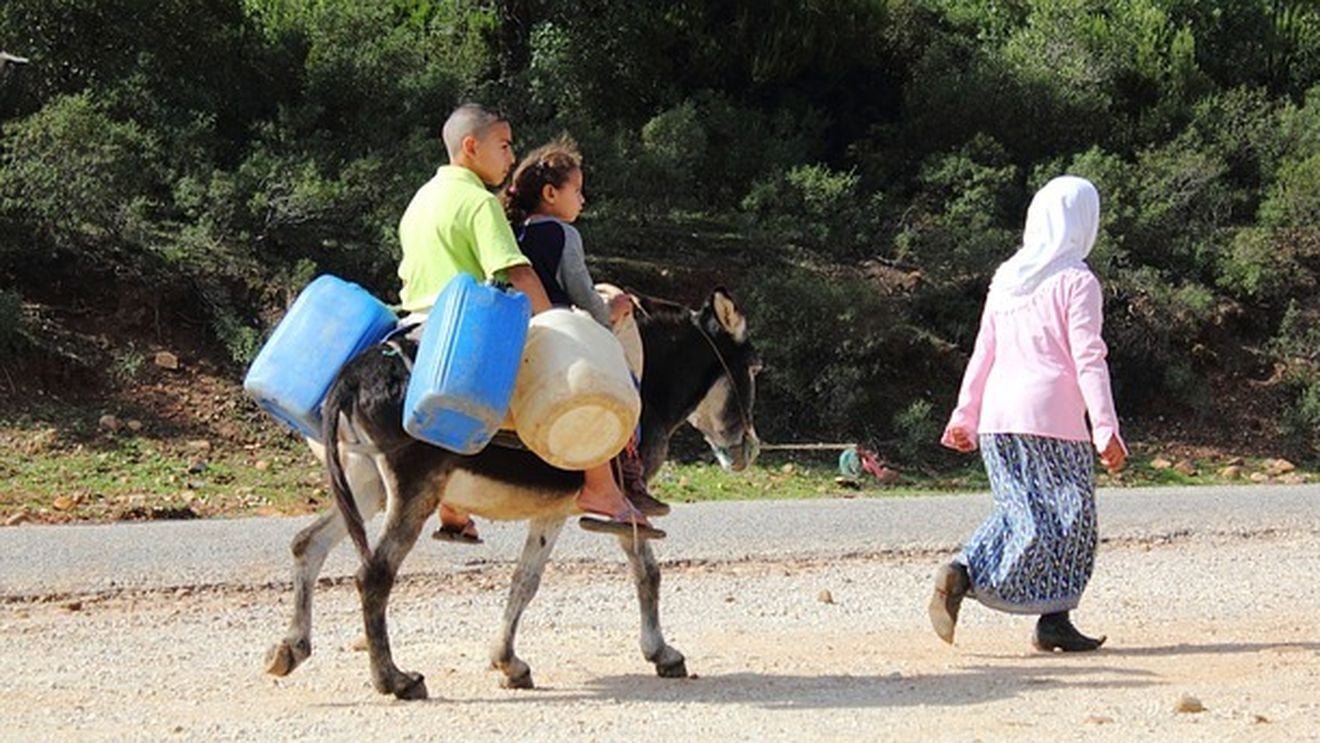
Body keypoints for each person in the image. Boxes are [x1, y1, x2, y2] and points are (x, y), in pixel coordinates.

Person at [929, 175, 1127, 652]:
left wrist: (964, 415)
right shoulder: (1077, 280)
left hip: (999, 419)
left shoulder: (1008, 278)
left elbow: (984, 352)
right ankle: (972, 575)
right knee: (1071, 521)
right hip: (1053, 422)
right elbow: (1088, 358)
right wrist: (1105, 429)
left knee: (1022, 512)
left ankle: (1043, 616)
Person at [395, 103, 552, 544]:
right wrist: (558, 326)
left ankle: (453, 504)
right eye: (503, 146)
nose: (510, 156)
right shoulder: (479, 203)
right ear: (470, 146)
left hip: (409, 330)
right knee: (562, 394)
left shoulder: (420, 199)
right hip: (454, 336)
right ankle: (602, 487)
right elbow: (516, 272)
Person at [500, 138, 666, 539]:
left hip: (520, 336)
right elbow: (584, 296)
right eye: (577, 190)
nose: (583, 199)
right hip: (560, 335)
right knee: (621, 383)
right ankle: (628, 468)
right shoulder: (564, 235)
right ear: (551, 193)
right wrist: (615, 310)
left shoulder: (517, 232)